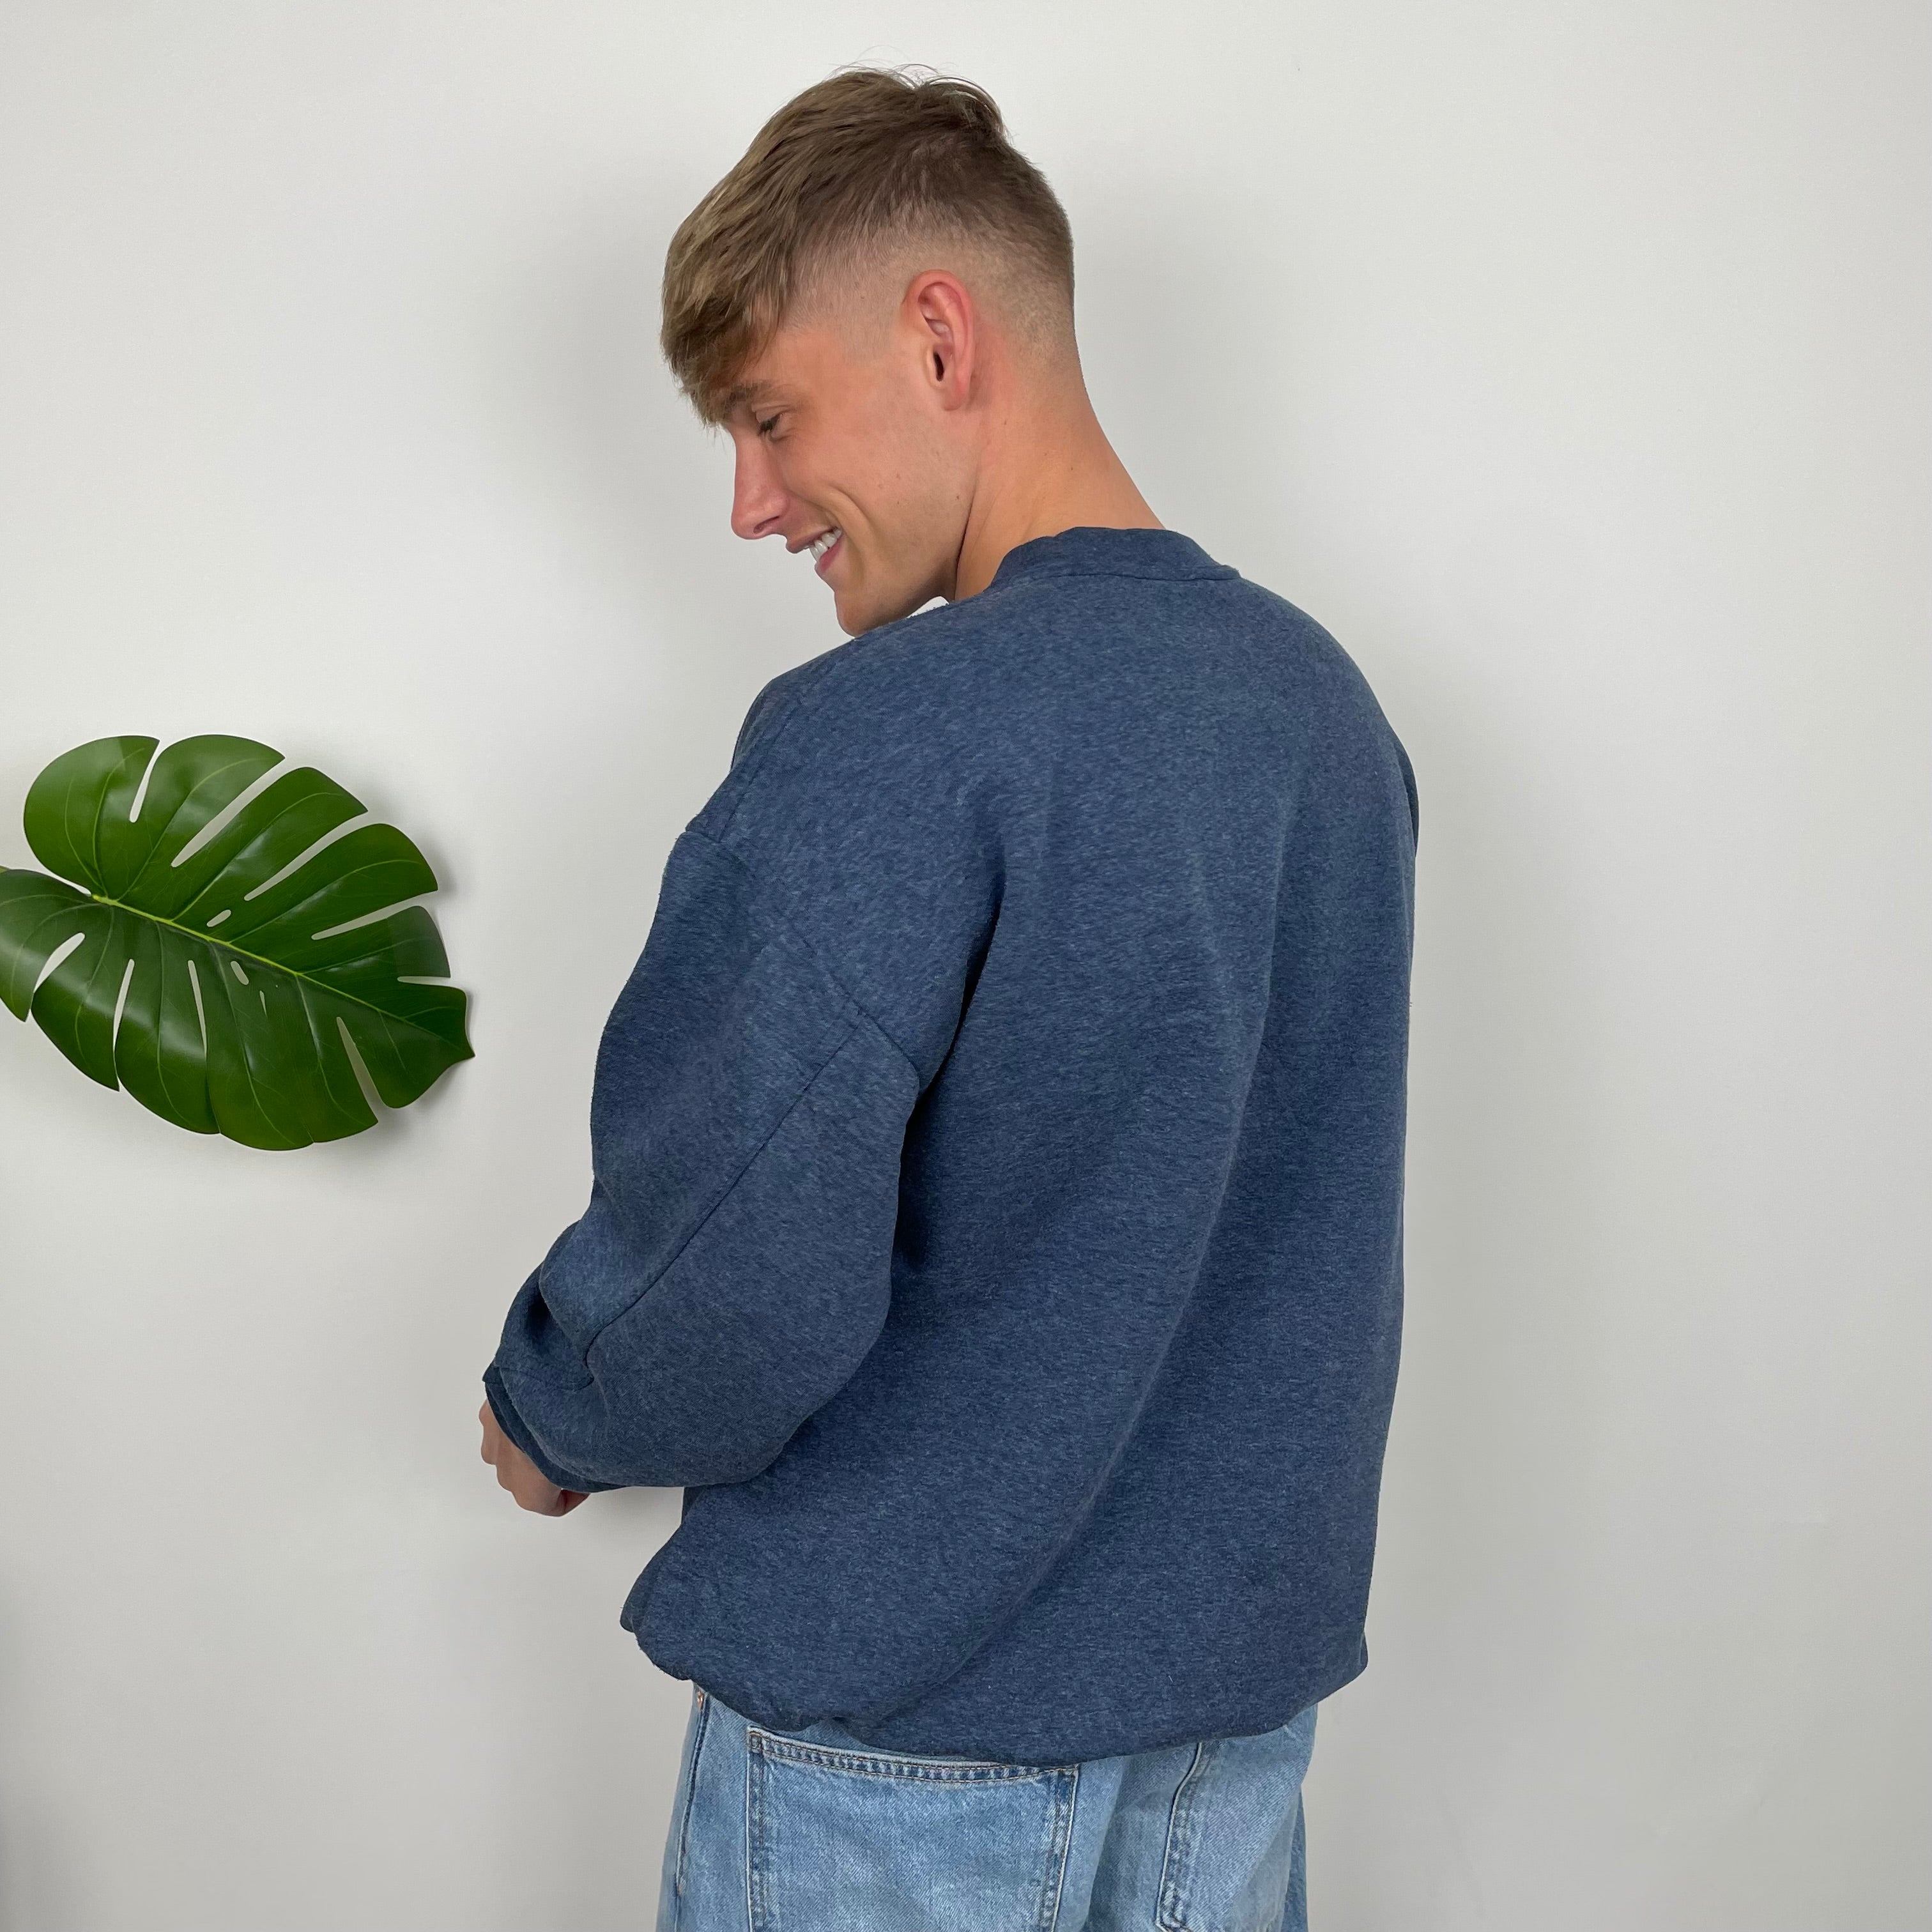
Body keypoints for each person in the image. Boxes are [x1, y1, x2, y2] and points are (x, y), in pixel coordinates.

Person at [479, 63, 1417, 1932]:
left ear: (935, 336)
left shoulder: (891, 735)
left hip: (895, 1768)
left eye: (765, 415)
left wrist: (555, 1405)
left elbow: (736, 1258)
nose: (748, 503)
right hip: (1229, 1746)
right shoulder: (1327, 716)